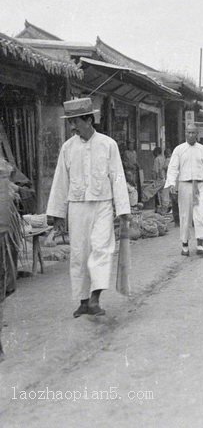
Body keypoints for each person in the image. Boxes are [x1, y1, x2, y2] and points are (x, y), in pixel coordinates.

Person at [46, 98, 131, 317]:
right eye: (70, 123)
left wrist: (123, 210)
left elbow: (118, 176)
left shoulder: (108, 144)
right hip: (77, 207)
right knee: (79, 253)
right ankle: (83, 302)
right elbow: (60, 181)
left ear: (89, 120)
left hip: (102, 204)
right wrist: (56, 213)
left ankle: (95, 298)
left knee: (102, 249)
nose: (72, 127)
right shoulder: (68, 147)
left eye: (76, 122)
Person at [165, 124, 203, 256]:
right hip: (185, 185)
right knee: (185, 215)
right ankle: (184, 245)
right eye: (188, 133)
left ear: (197, 134)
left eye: (193, 133)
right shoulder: (179, 150)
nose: (191, 135)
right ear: (185, 134)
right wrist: (172, 183)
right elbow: (173, 167)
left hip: (200, 185)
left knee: (202, 213)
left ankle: (200, 245)